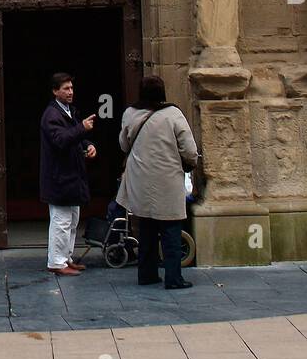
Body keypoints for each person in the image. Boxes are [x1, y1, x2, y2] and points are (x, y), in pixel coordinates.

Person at [117, 75, 198, 290]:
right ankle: (174, 278)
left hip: (140, 178)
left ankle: (147, 273)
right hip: (167, 179)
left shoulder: (130, 113)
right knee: (171, 229)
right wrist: (190, 163)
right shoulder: (173, 114)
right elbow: (189, 150)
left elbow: (124, 145)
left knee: (146, 227)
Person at [40, 73, 97, 276]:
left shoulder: (69, 112)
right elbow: (61, 140)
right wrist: (82, 128)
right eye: (66, 88)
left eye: (71, 88)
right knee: (61, 221)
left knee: (72, 220)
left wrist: (88, 144)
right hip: (59, 177)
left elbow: (75, 138)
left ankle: (66, 257)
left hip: (72, 175)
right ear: (55, 91)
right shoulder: (52, 115)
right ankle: (56, 262)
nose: (70, 92)